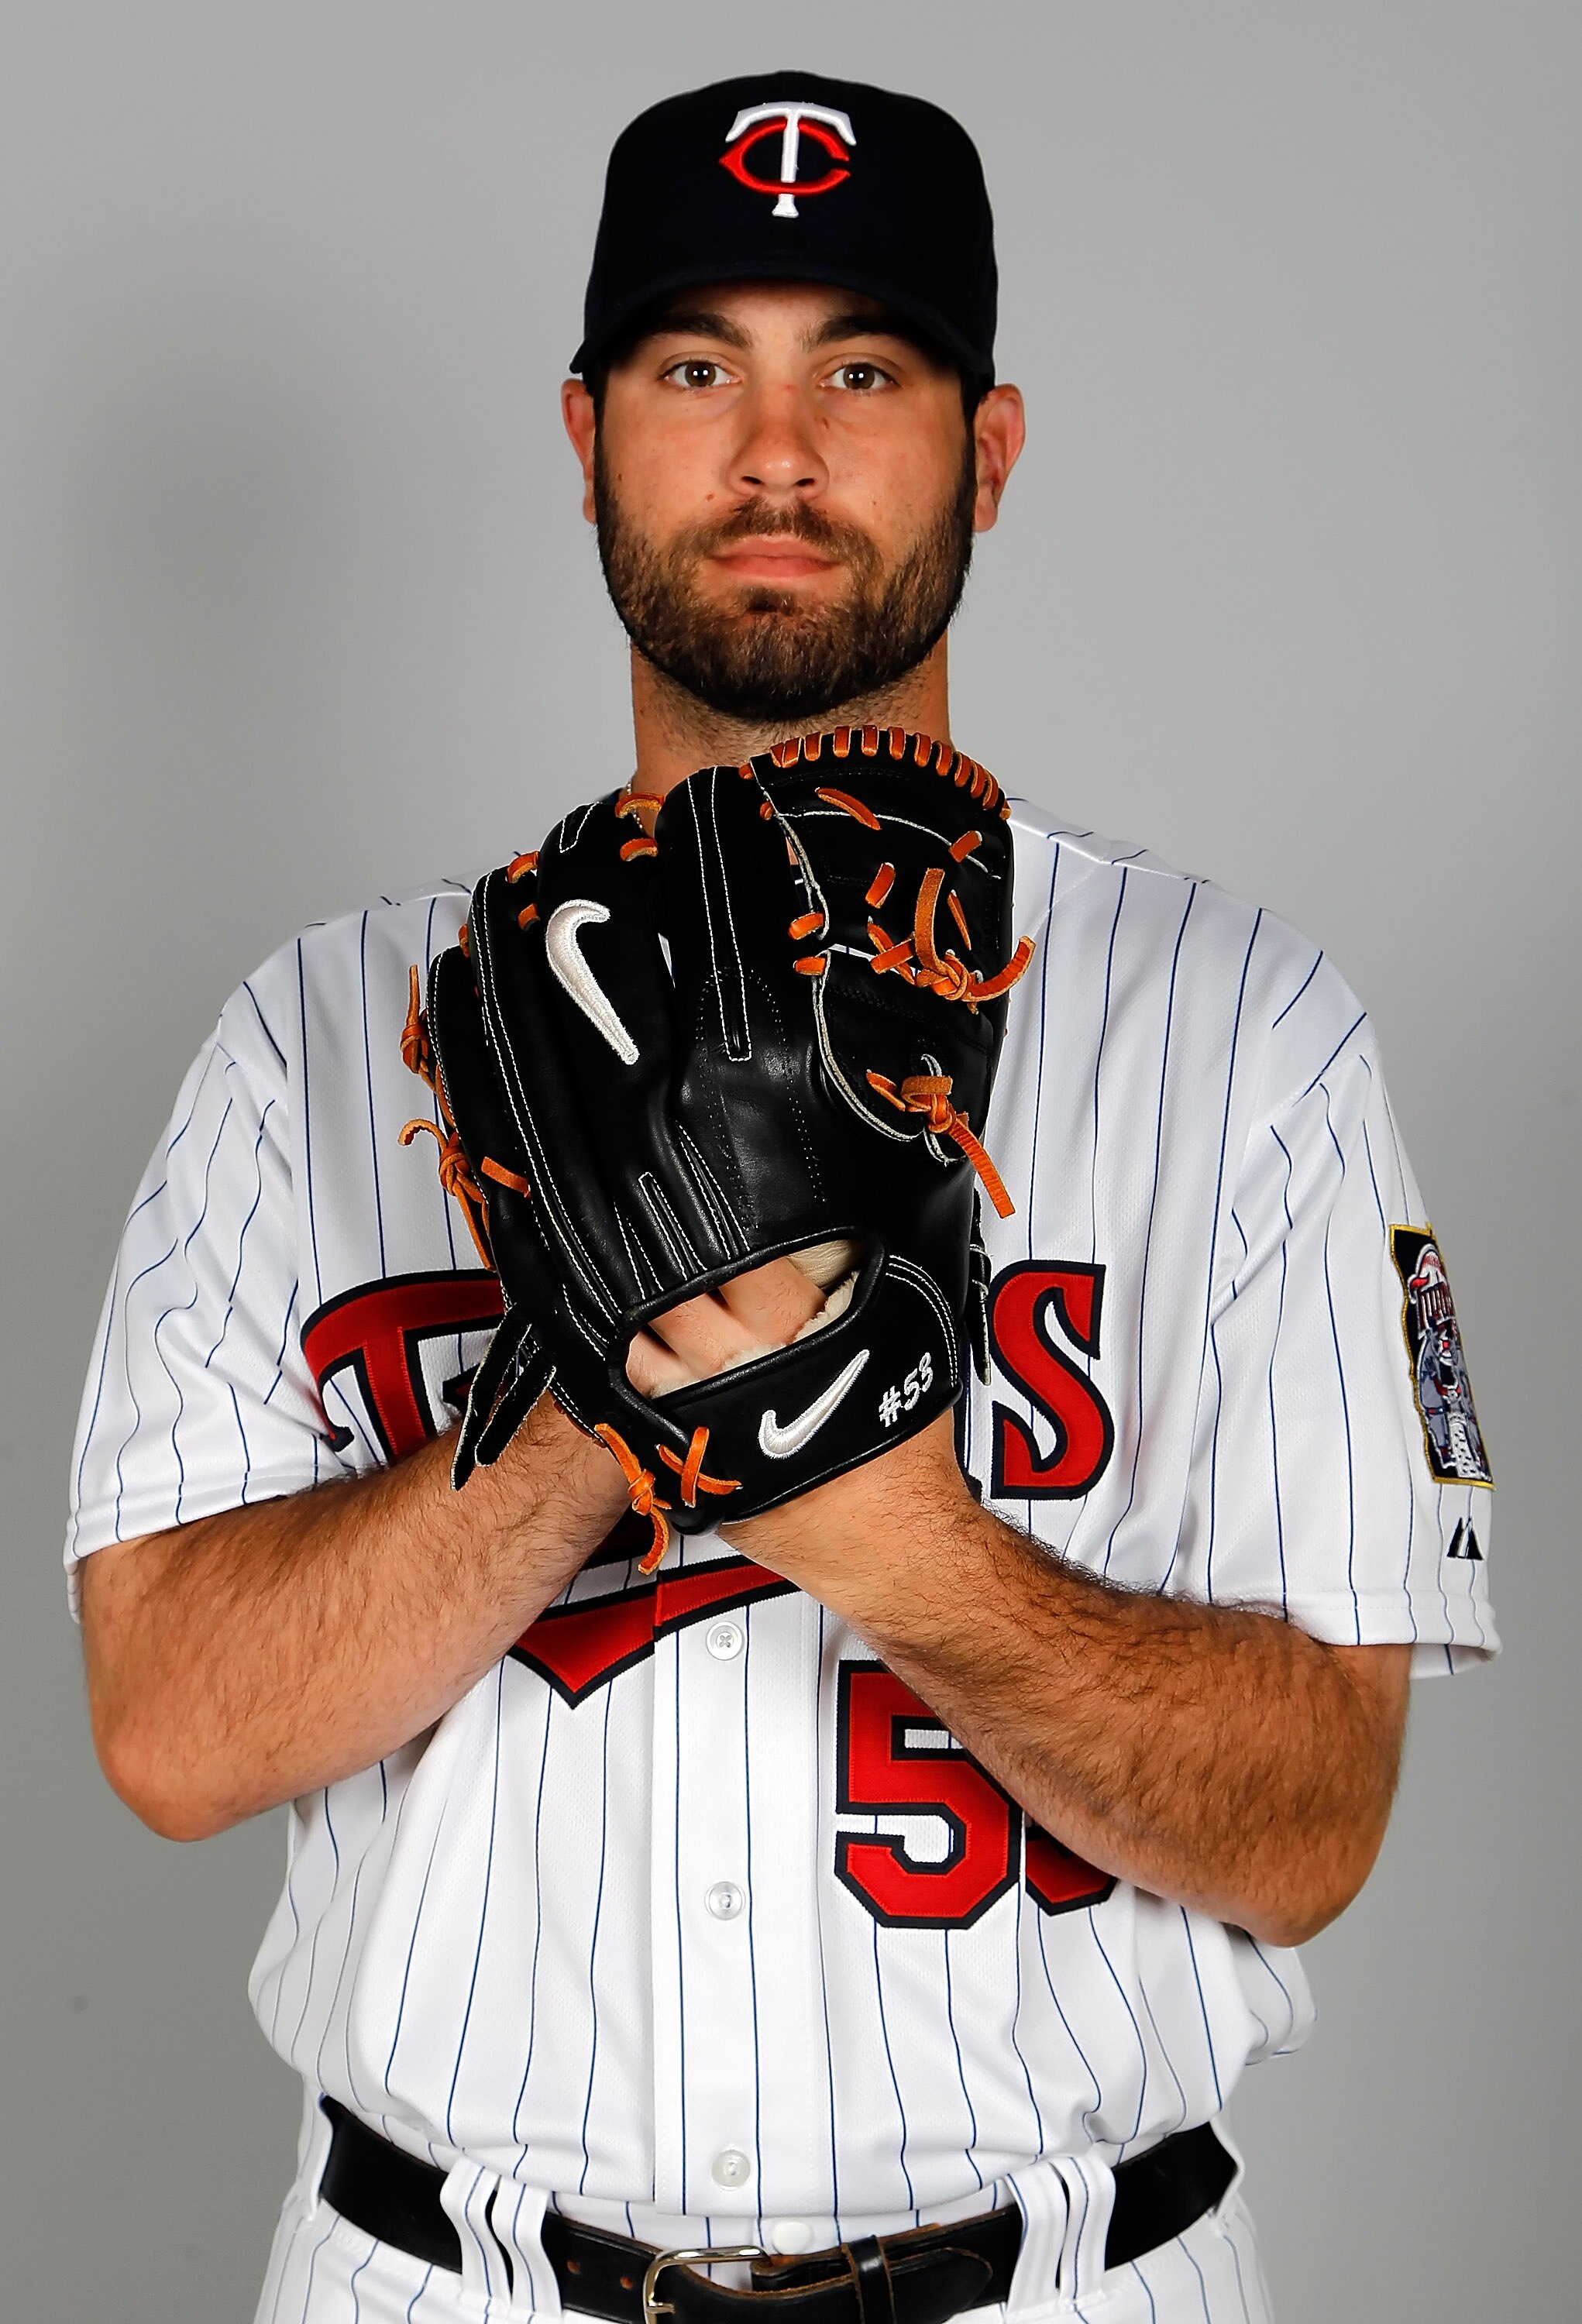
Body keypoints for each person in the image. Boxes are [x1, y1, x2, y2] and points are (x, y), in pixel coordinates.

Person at [67, 71, 1498, 2324]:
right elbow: (165, 1727)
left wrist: (877, 1516)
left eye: (862, 368)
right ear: (584, 435)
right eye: (692, 367)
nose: (774, 455)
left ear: (988, 446)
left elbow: (1309, 1822)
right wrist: (585, 1415)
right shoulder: (324, 1032)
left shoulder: (1250, 1036)